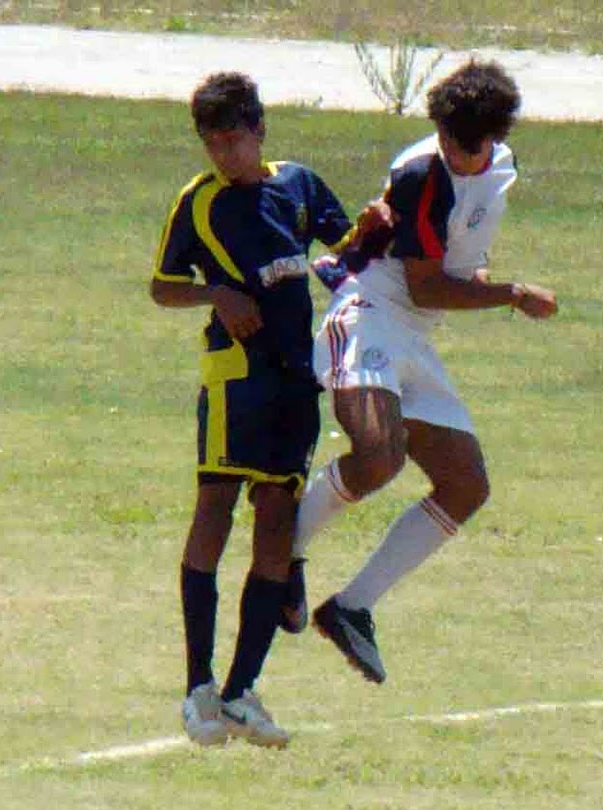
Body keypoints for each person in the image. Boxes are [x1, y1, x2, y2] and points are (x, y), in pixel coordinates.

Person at [291, 58, 559, 685]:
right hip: (370, 312)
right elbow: (427, 284)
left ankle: (352, 608)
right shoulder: (419, 175)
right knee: (379, 455)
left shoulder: (503, 168)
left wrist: (490, 282)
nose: (455, 153)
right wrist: (514, 295)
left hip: (415, 330)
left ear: (493, 137)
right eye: (447, 138)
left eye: (468, 145)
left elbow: (458, 266)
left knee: (466, 485)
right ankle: (286, 550)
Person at [150, 71, 383, 748]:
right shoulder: (197, 205)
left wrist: (371, 230)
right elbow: (163, 286)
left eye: (234, 140)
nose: (225, 155)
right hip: (234, 380)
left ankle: (242, 689)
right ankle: (198, 688)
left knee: (276, 523)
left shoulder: (299, 187)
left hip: (295, 382)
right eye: (212, 143)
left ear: (260, 132)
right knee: (214, 512)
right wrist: (216, 296)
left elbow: (349, 259)